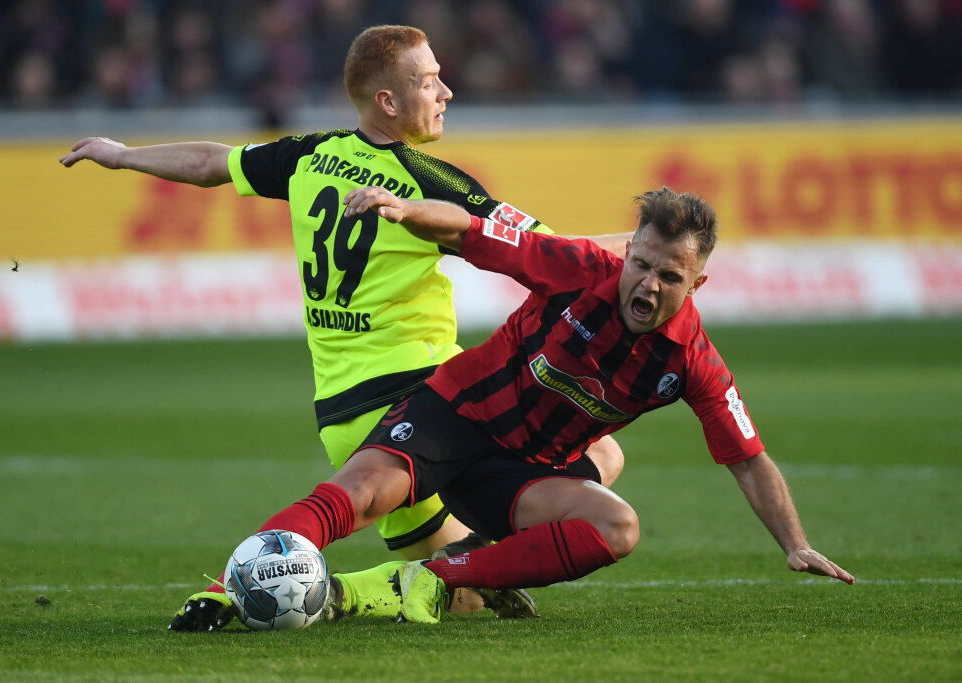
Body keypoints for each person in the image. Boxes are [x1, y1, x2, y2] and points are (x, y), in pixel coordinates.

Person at [58, 25, 627, 628]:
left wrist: (121, 155)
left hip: (342, 414)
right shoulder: (429, 183)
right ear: (387, 101)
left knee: (452, 593)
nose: (447, 92)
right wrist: (653, 253)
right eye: (430, 80)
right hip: (433, 399)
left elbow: (209, 162)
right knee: (602, 454)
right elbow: (555, 254)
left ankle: (254, 589)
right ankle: (479, 547)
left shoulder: (307, 156)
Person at [232, 184, 854, 626]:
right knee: (362, 495)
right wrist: (403, 209)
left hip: (519, 480)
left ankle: (438, 577)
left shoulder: (691, 362)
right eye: (640, 265)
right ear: (626, 254)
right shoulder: (578, 269)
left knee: (619, 526)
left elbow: (748, 459)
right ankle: (228, 587)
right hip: (457, 413)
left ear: (697, 285)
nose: (647, 284)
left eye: (669, 277)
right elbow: (472, 233)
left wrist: (794, 544)